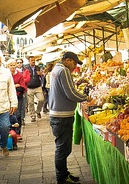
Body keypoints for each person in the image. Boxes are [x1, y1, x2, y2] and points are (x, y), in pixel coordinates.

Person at [49, 52, 88, 184]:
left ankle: (64, 173)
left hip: (57, 114)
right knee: (62, 148)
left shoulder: (56, 69)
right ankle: (61, 178)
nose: (75, 66)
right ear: (67, 60)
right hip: (62, 116)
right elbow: (70, 93)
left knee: (63, 147)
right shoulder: (64, 71)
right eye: (74, 63)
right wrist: (86, 98)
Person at [6, 59, 26, 140]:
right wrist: (15, 85)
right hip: (8, 98)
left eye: (14, 65)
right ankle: (10, 132)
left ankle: (18, 133)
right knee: (10, 115)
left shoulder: (19, 75)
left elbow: (23, 87)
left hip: (18, 97)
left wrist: (15, 87)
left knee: (18, 115)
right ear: (7, 66)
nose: (13, 67)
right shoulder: (5, 75)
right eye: (11, 65)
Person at [25, 56, 45, 122]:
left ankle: (38, 111)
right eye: (32, 60)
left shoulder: (38, 67)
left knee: (41, 99)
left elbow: (43, 74)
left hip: (38, 86)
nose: (33, 61)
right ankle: (33, 116)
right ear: (29, 61)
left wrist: (41, 74)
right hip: (29, 87)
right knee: (31, 103)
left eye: (34, 60)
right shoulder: (26, 68)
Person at [16, 58, 29, 125]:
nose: (19, 64)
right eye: (18, 62)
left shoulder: (25, 70)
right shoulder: (13, 71)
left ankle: (22, 118)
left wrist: (21, 82)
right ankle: (17, 119)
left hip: (23, 90)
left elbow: (28, 79)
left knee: (23, 105)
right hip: (15, 91)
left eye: (20, 62)